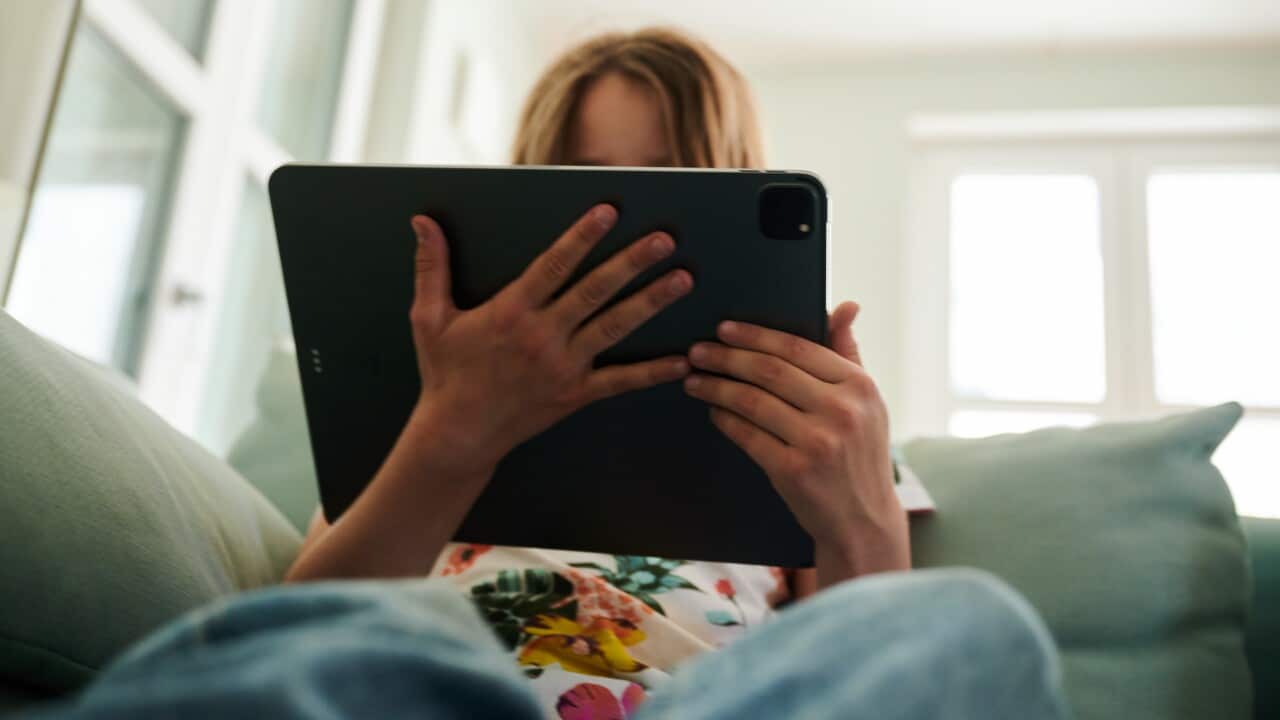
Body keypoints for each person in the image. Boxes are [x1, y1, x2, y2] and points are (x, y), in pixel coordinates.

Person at [32, 28, 1070, 720]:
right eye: (575, 189)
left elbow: (868, 653)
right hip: (429, 683)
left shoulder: (808, 417)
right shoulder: (425, 411)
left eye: (665, 187)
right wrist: (452, 433)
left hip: (701, 703)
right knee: (343, 657)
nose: (616, 231)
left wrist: (861, 522)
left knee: (973, 627)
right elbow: (303, 627)